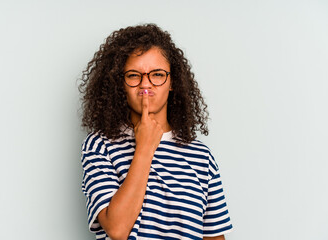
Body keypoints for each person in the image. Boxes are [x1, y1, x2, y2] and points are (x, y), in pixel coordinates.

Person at [79, 24, 233, 240]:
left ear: (172, 82)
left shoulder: (202, 157)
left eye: (157, 74)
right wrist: (144, 147)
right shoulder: (100, 145)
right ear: (120, 84)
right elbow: (116, 230)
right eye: (133, 75)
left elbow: (214, 237)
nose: (145, 85)